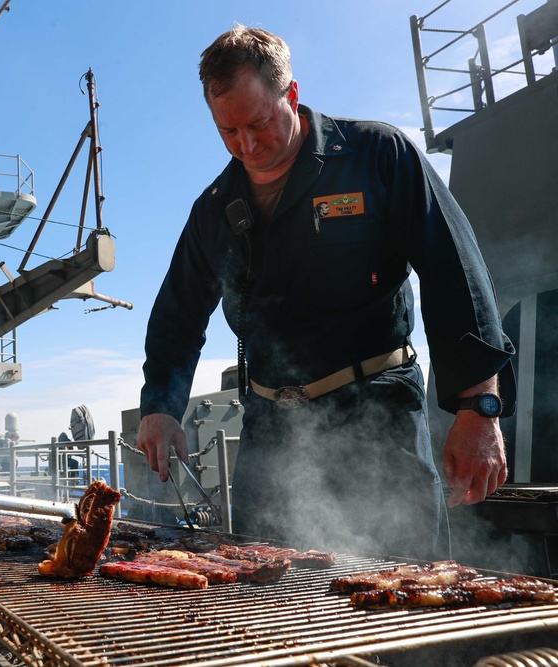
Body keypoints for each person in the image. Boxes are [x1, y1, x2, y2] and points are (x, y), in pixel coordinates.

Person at [137, 25, 514, 560]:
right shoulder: (213, 210)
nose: (246, 145)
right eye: (228, 132)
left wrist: (480, 408)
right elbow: (177, 317)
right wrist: (160, 407)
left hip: (379, 422)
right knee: (263, 605)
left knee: (403, 595)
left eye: (259, 123)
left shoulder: (378, 155)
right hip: (271, 436)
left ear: (290, 95)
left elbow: (457, 272)